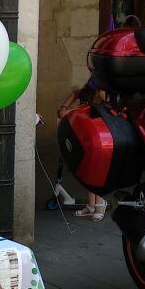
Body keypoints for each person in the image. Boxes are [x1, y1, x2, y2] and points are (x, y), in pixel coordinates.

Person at [57, 77, 108, 221]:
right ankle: (91, 205)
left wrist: (70, 111)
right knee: (86, 170)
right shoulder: (86, 94)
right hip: (84, 137)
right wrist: (64, 108)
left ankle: (100, 203)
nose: (104, 94)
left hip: (100, 139)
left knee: (97, 171)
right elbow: (74, 94)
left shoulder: (107, 103)